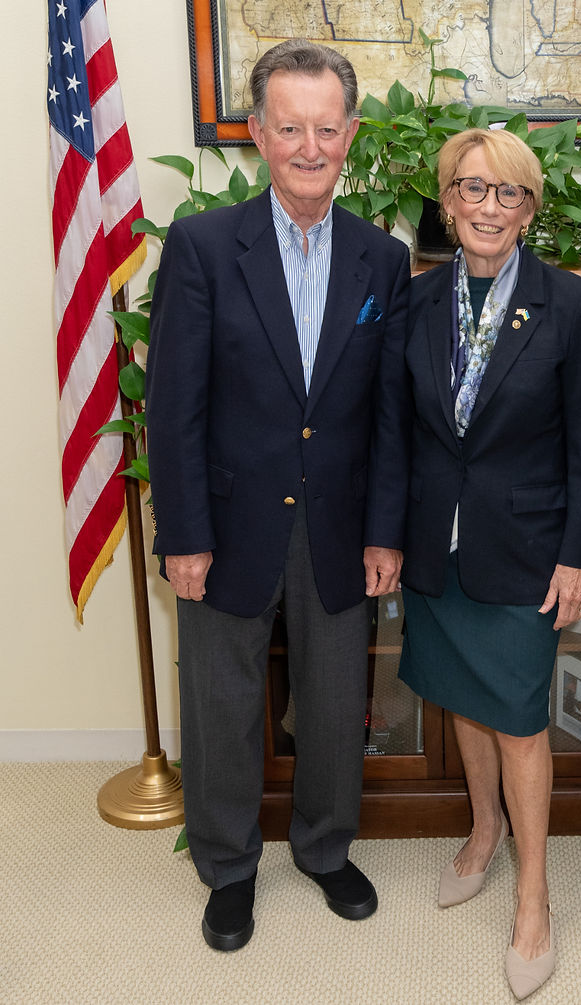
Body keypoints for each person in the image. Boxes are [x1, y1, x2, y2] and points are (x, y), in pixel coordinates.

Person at [145, 39, 411, 951]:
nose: (308, 145)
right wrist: (182, 531)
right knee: (221, 701)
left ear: (351, 135)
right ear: (257, 132)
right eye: (289, 126)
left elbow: (386, 415)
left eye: (325, 128)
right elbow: (173, 404)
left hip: (339, 521)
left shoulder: (384, 257)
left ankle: (326, 847)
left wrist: (385, 531)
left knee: (337, 695)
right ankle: (226, 864)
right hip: (225, 519)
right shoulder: (204, 246)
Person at [397, 128, 581, 1000]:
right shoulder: (412, 303)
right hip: (436, 544)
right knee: (463, 696)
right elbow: (396, 431)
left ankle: (533, 893)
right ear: (447, 201)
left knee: (519, 716)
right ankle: (484, 831)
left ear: (530, 209)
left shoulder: (570, 305)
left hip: (526, 547)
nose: (488, 207)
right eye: (472, 189)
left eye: (508, 193)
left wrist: (577, 557)